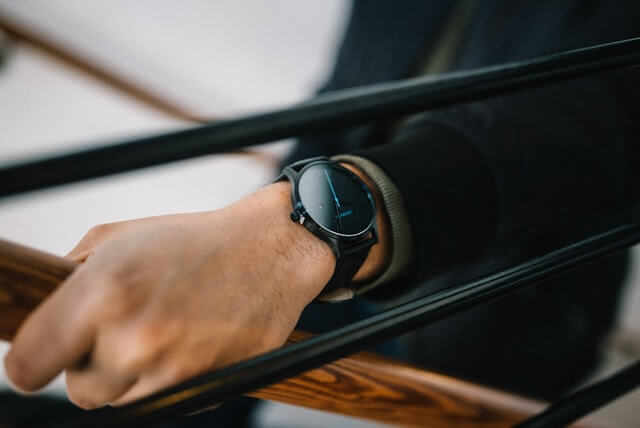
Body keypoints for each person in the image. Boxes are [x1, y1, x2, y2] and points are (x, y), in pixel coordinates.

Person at [4, 0, 639, 424]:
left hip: (496, 305)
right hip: (316, 267)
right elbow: (346, 90)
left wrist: (285, 240)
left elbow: (600, 116)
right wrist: (248, 221)